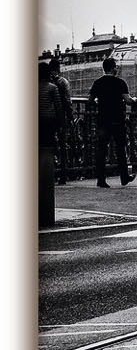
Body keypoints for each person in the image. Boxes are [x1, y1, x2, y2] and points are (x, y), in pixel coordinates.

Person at [88, 56, 133, 188]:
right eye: (116, 66)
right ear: (113, 68)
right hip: (118, 119)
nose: (117, 68)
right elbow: (128, 100)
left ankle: (101, 180)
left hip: (103, 120)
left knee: (101, 150)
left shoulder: (98, 83)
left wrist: (98, 102)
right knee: (120, 149)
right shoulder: (120, 83)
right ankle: (124, 177)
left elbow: (90, 100)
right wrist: (133, 100)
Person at [38, 59, 66, 231]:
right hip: (49, 122)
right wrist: (61, 124)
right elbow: (58, 107)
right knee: (49, 150)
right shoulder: (53, 87)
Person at [49, 49, 74, 184]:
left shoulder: (44, 82)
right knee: (63, 145)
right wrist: (70, 117)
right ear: (58, 69)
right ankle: (63, 175)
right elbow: (67, 100)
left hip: (46, 117)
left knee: (48, 146)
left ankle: (49, 173)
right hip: (61, 117)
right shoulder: (63, 82)